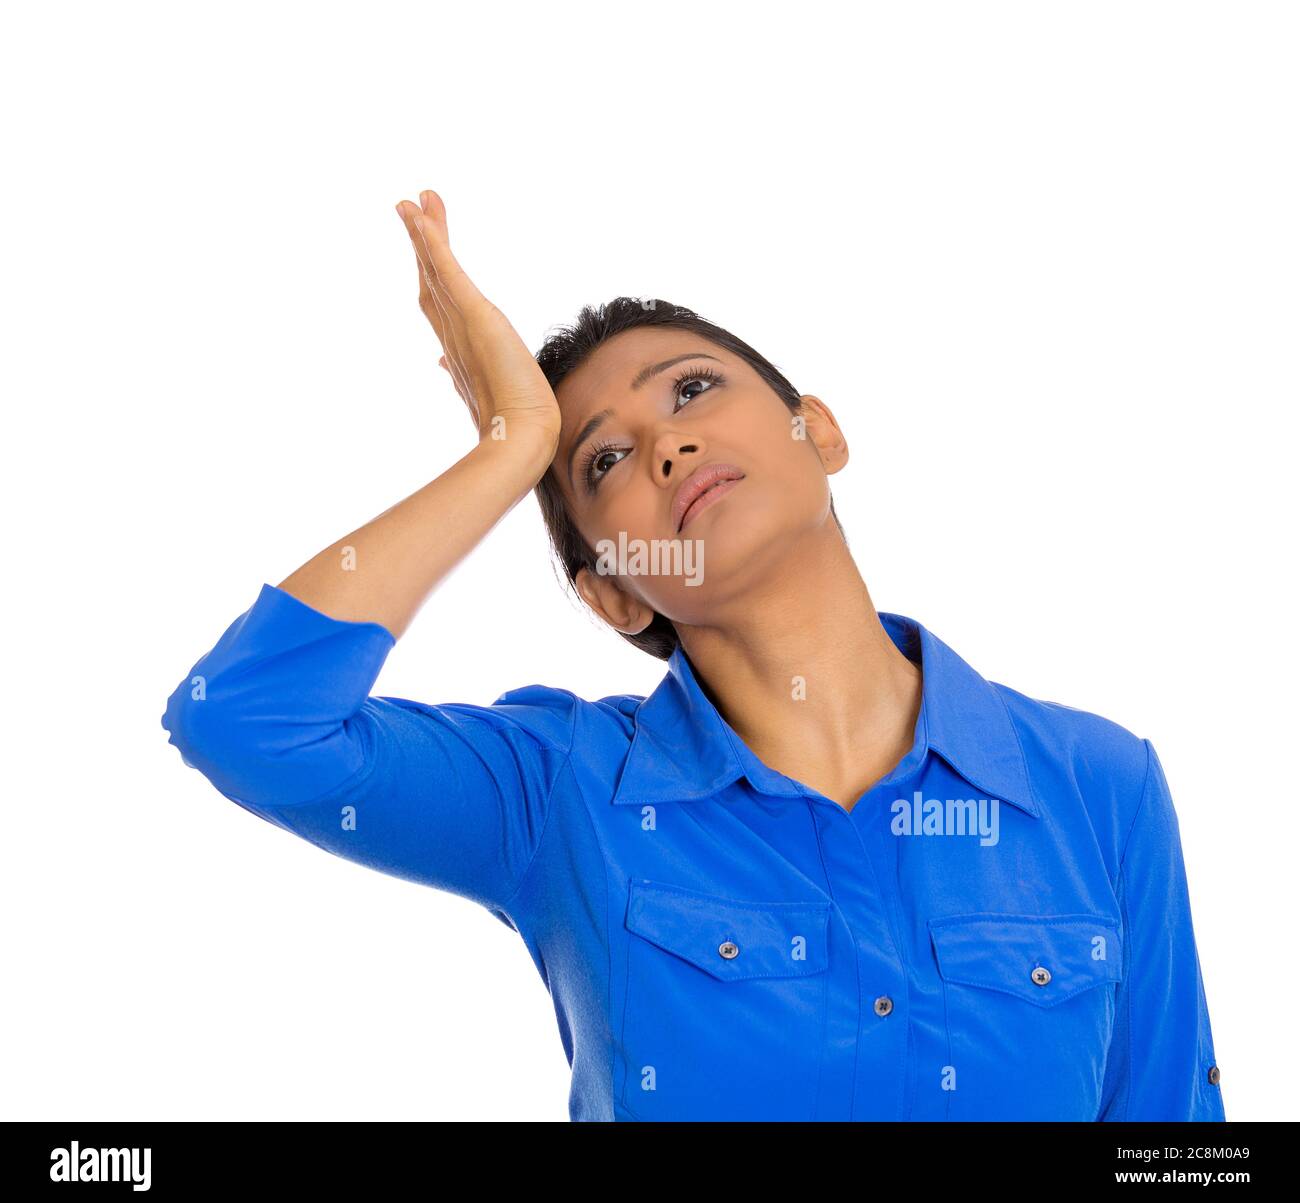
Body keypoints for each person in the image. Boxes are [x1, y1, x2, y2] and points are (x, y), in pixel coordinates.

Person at [161, 190, 1226, 1123]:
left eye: (691, 391)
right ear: (610, 588)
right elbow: (244, 718)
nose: (668, 444)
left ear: (818, 429)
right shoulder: (562, 793)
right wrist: (507, 449)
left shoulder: (1098, 786)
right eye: (604, 458)